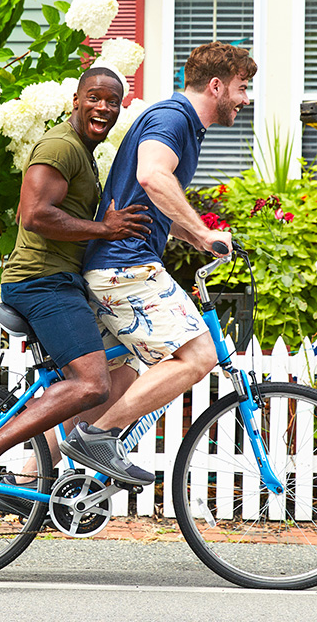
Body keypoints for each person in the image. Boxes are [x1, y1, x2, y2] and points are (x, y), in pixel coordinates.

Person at [0, 65, 153, 519]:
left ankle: (22, 481)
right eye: (94, 97)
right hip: (42, 282)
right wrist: (105, 229)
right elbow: (34, 214)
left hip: (62, 282)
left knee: (123, 374)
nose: (103, 107)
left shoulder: (81, 150)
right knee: (91, 383)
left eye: (112, 101)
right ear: (75, 101)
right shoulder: (61, 146)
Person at [69, 42, 255, 463]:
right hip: (126, 269)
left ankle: (26, 481)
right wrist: (205, 232)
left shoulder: (180, 122)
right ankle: (96, 439)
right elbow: (152, 174)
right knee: (200, 354)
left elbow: (149, 202)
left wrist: (192, 236)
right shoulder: (173, 118)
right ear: (215, 86)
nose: (246, 99)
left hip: (112, 267)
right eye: (241, 88)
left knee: (114, 379)